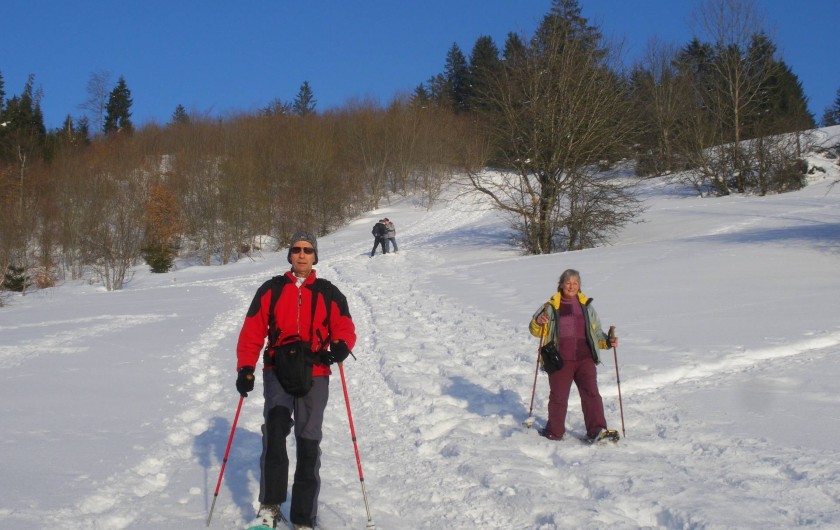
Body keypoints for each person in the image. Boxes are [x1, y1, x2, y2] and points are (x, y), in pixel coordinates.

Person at [235, 231, 356, 530]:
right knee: (275, 432)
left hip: (315, 373)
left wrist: (341, 345)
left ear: (315, 256)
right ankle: (270, 507)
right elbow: (252, 331)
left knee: (308, 439)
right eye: (296, 249)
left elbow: (344, 325)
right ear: (289, 255)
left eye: (308, 249)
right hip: (278, 371)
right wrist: (245, 368)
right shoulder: (271, 289)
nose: (302, 254)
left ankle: (304, 518)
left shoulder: (329, 292)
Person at [528, 268, 618, 443]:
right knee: (558, 397)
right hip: (559, 360)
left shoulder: (587, 307)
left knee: (592, 394)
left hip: (585, 359)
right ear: (561, 284)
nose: (571, 286)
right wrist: (538, 322)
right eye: (568, 282)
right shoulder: (550, 306)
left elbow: (596, 333)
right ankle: (554, 432)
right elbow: (535, 330)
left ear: (579, 286)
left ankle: (597, 430)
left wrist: (607, 342)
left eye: (575, 283)